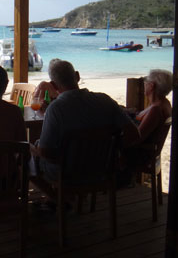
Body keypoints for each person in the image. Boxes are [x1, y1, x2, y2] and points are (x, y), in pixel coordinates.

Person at [30, 59, 139, 201]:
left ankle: (58, 200)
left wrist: (36, 149)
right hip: (101, 170)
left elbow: (45, 152)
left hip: (67, 173)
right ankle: (67, 198)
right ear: (77, 76)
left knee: (27, 156)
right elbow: (134, 134)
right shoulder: (105, 101)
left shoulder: (56, 108)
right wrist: (113, 152)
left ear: (53, 85)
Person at [122, 69, 172, 169]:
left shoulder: (156, 110)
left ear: (151, 85)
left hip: (142, 155)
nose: (144, 84)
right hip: (148, 151)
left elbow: (137, 137)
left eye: (146, 82)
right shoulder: (164, 103)